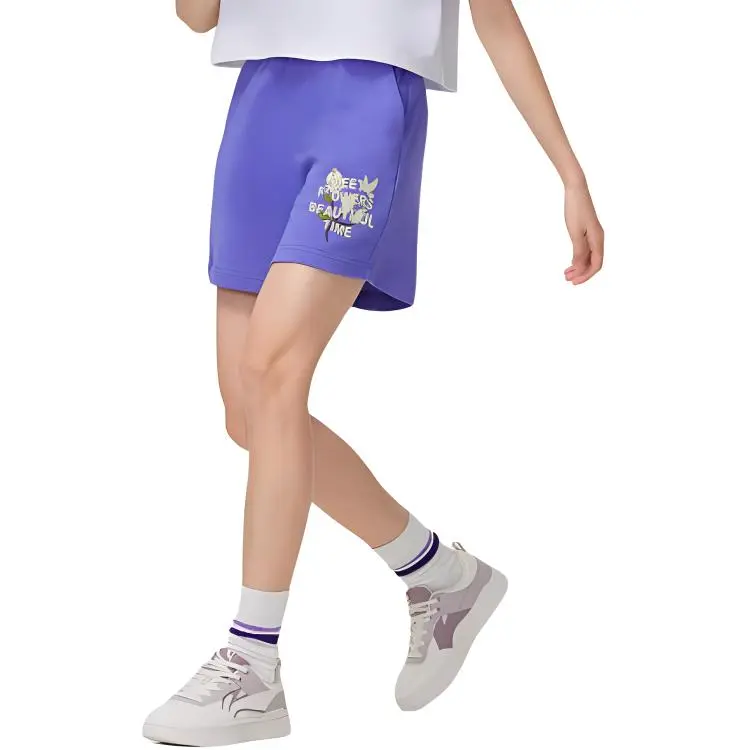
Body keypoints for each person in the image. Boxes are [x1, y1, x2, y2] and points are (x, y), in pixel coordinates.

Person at [143, 0, 605, 744]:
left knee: (275, 371)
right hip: (262, 105)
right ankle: (440, 575)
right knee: (248, 411)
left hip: (363, 107)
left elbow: (495, 17)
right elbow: (196, 16)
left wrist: (570, 175)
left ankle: (252, 663)